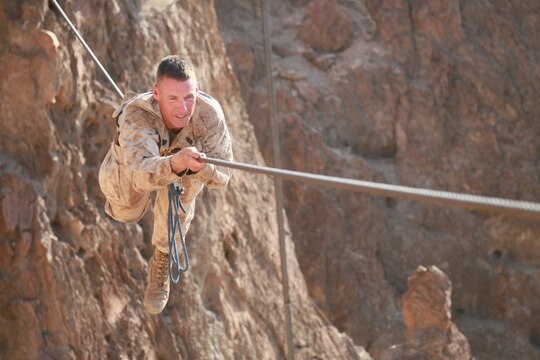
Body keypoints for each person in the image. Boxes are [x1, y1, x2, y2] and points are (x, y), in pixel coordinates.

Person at [99, 55, 233, 314]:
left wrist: (202, 167)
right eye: (173, 99)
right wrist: (172, 163)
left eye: (189, 98)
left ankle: (162, 254)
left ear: (197, 91)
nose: (183, 109)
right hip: (140, 163)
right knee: (126, 210)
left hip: (185, 164)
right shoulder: (138, 115)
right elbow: (140, 175)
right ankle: (130, 168)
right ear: (156, 93)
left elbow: (224, 176)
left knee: (187, 188)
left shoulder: (209, 115)